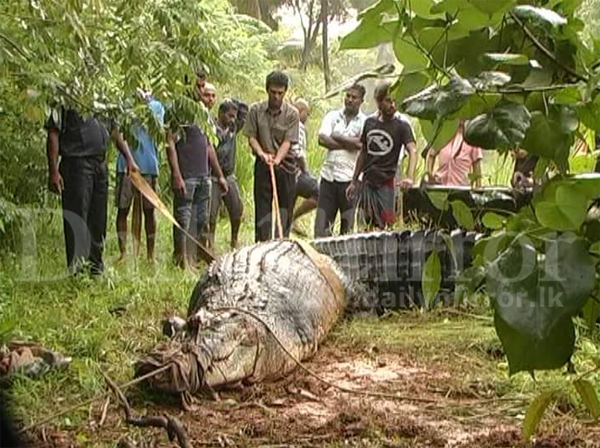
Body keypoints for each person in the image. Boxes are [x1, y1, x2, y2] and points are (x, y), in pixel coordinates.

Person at [46, 108, 138, 275]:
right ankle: (77, 270)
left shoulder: (102, 96)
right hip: (76, 163)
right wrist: (53, 171)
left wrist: (129, 159)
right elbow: (53, 132)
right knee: (77, 217)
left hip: (99, 163)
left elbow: (115, 130)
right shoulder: (65, 96)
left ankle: (96, 267)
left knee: (98, 218)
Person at [167, 76, 228, 269]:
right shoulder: (178, 110)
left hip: (204, 174)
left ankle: (195, 257)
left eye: (204, 85)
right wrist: (176, 174)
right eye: (199, 86)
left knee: (201, 218)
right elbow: (169, 143)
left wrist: (219, 175)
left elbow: (209, 145)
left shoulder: (204, 113)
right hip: (186, 174)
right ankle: (180, 259)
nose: (202, 90)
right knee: (183, 218)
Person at [346, 82, 417, 230]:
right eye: (388, 100)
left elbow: (412, 150)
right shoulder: (369, 123)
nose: (392, 105)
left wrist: (410, 176)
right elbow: (363, 152)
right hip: (367, 183)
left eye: (394, 101)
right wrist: (354, 180)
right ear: (378, 102)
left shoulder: (401, 126)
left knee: (386, 226)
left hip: (386, 184)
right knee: (363, 226)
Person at [244, 70, 299, 242]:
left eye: (280, 93)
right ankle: (262, 245)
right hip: (263, 165)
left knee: (285, 210)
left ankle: (281, 244)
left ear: (285, 92)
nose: (276, 96)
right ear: (267, 90)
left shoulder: (292, 114)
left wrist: (277, 159)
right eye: (273, 92)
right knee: (262, 210)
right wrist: (261, 154)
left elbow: (288, 142)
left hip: (286, 166)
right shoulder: (255, 110)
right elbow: (251, 137)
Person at [115, 90, 165, 262]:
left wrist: (146, 104)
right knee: (123, 209)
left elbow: (158, 130)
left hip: (149, 165)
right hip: (125, 166)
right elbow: (119, 133)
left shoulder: (157, 106)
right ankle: (123, 253)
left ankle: (150, 255)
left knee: (149, 211)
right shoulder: (124, 105)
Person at [315, 84, 367, 237]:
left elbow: (362, 145)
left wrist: (337, 136)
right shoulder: (332, 116)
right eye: (348, 96)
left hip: (350, 180)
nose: (349, 100)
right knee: (321, 227)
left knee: (347, 229)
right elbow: (322, 139)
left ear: (361, 101)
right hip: (328, 178)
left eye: (354, 97)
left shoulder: (365, 122)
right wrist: (349, 143)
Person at [208, 99, 246, 249]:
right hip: (213, 175)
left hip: (229, 175)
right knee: (211, 213)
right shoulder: (212, 128)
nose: (233, 119)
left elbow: (245, 111)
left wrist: (234, 102)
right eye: (229, 116)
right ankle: (210, 244)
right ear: (221, 114)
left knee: (236, 208)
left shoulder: (233, 128)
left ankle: (234, 239)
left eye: (234, 116)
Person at [290, 98, 319, 234]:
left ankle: (291, 222)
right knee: (319, 192)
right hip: (295, 172)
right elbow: (297, 152)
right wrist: (306, 171)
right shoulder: (298, 126)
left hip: (288, 173)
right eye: (307, 113)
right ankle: (293, 218)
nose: (307, 117)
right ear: (301, 111)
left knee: (289, 202)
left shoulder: (288, 123)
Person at [424, 120, 483, 188]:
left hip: (461, 187)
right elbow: (431, 155)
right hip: (441, 186)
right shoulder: (443, 136)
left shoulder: (471, 139)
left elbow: (477, 164)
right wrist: (430, 176)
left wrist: (478, 186)